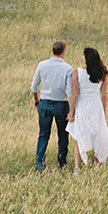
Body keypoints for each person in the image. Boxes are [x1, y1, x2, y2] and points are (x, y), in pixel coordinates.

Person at [67, 46, 108, 169]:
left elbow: (74, 95)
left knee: (79, 135)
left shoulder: (77, 72)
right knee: (97, 135)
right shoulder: (103, 73)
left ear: (86, 58)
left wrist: (71, 112)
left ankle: (77, 167)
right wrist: (103, 112)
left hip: (83, 105)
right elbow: (103, 95)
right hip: (95, 105)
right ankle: (97, 165)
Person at [30, 40, 73, 172]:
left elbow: (34, 86)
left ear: (52, 50)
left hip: (45, 102)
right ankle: (61, 164)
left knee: (43, 134)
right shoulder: (68, 68)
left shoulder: (42, 65)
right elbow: (70, 91)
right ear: (63, 52)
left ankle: (40, 166)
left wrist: (36, 100)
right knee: (63, 135)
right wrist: (72, 110)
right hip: (61, 103)